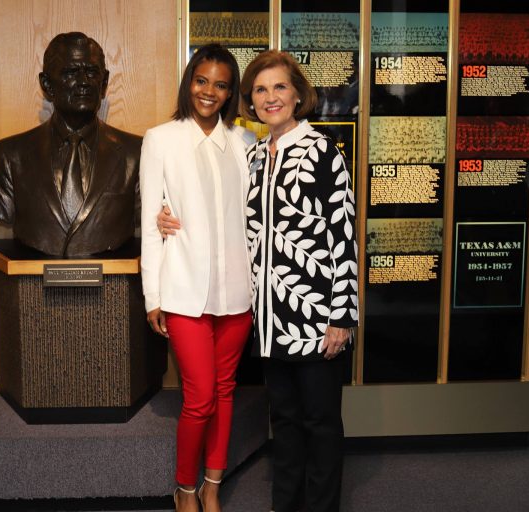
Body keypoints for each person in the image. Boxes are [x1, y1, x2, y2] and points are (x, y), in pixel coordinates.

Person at [159, 50, 358, 512]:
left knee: (321, 424)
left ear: (297, 94)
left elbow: (344, 236)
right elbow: (216, 208)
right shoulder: (252, 157)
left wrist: (341, 316)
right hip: (270, 321)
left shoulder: (323, 152)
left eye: (280, 87)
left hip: (317, 317)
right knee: (284, 423)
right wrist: (163, 215)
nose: (271, 98)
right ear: (251, 100)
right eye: (261, 90)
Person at [140, 44, 255, 512]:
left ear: (231, 92)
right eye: (202, 80)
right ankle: (184, 488)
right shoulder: (161, 139)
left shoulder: (245, 142)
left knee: (225, 392)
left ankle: (213, 484)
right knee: (200, 397)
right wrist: (152, 296)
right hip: (184, 291)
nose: (209, 91)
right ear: (189, 82)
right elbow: (151, 223)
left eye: (221, 85)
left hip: (238, 293)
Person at [0, 32, 141, 257]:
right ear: (47, 84)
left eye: (92, 72)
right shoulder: (9, 156)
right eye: (71, 73)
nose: (84, 82)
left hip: (113, 273)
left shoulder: (137, 154)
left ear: (104, 82)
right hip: (33, 274)